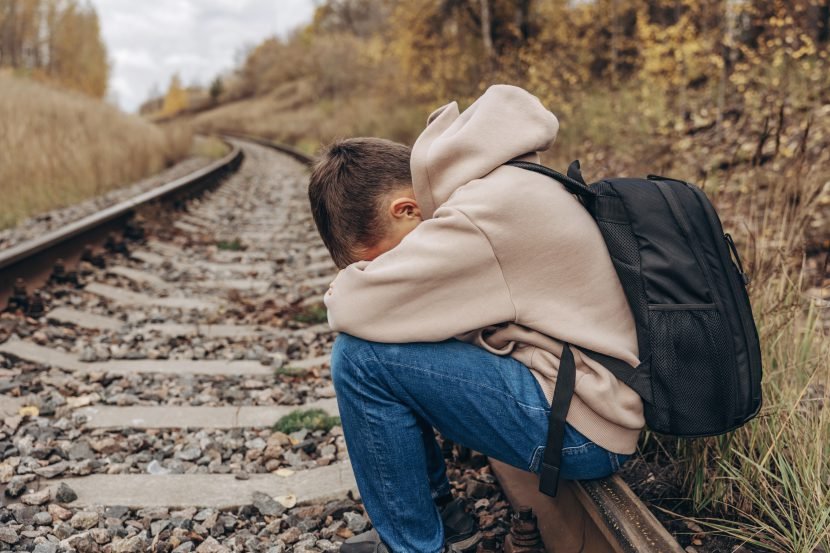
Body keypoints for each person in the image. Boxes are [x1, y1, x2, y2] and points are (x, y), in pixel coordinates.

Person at [307, 84, 645, 553]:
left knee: (359, 360)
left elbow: (349, 308)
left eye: (381, 258)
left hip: (583, 431)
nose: (387, 270)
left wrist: (357, 284)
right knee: (387, 345)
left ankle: (412, 545)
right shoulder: (502, 184)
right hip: (585, 401)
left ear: (405, 210)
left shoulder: (479, 217)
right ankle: (442, 519)